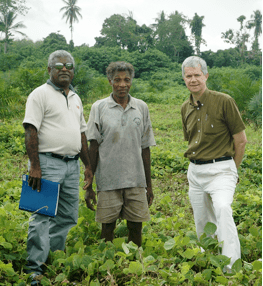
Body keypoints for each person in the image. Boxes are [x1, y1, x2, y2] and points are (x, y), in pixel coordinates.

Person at [23, 50, 93, 285]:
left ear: (73, 70)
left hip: (71, 165)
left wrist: (88, 166)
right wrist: (35, 166)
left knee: (67, 216)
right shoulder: (39, 94)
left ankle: (52, 262)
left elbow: (81, 133)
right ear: (49, 69)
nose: (65, 68)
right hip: (46, 163)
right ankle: (35, 268)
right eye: (59, 65)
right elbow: (31, 130)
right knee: (41, 215)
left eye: (69, 65)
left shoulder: (75, 97)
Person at [180, 56, 247, 271]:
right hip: (196, 171)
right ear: (183, 79)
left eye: (197, 75)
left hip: (222, 169)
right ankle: (209, 260)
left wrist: (232, 171)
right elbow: (190, 141)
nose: (193, 80)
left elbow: (241, 140)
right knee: (202, 219)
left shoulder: (224, 101)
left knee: (223, 208)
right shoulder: (185, 107)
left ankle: (231, 266)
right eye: (188, 76)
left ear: (206, 76)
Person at [84, 61, 156, 247]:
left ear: (131, 81)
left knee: (136, 227)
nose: (122, 84)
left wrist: (148, 185)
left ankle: (135, 264)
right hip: (108, 180)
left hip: (136, 180)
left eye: (126, 80)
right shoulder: (99, 108)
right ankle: (108, 268)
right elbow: (94, 147)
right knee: (107, 228)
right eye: (117, 80)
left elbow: (145, 148)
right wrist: (89, 184)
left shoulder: (141, 107)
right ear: (110, 81)